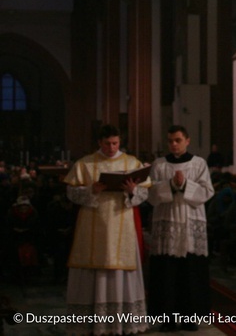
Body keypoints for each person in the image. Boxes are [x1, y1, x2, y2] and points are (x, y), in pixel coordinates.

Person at [63, 124, 150, 335]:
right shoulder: (85, 164)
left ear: (120, 142)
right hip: (93, 223)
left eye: (115, 143)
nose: (112, 148)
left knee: (120, 267)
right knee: (95, 267)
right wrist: (90, 190)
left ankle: (121, 322)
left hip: (122, 222)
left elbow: (143, 195)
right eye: (107, 143)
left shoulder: (131, 162)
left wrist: (132, 191)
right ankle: (91, 322)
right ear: (99, 143)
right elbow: (71, 194)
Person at [147, 125, 214, 331]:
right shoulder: (159, 165)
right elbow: (150, 195)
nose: (173, 144)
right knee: (166, 273)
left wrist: (185, 184)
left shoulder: (198, 163)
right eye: (170, 141)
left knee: (190, 273)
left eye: (177, 140)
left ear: (187, 140)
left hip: (190, 224)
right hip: (167, 223)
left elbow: (207, 191)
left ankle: (189, 317)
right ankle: (167, 318)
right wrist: (171, 185)